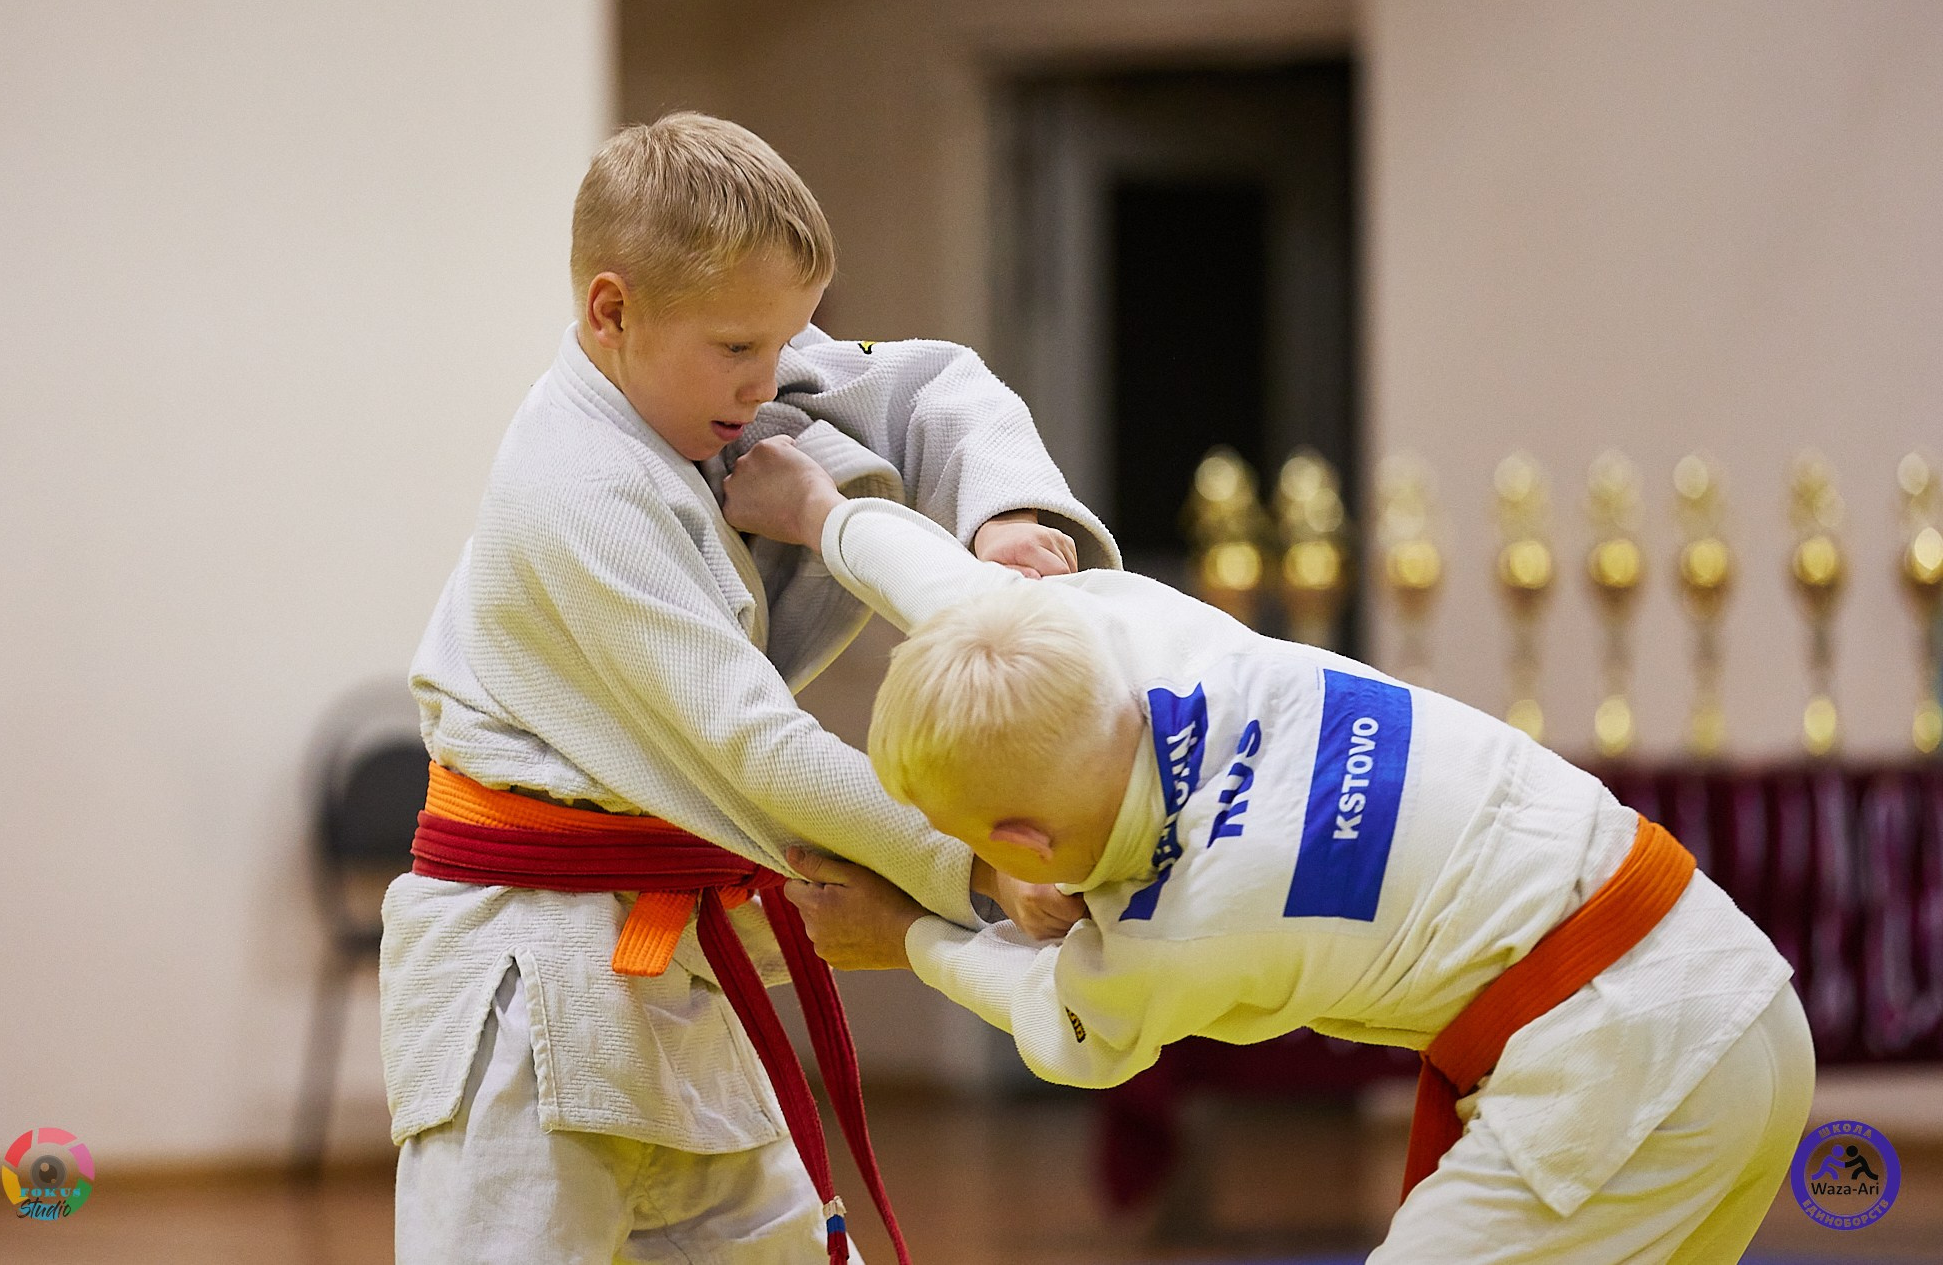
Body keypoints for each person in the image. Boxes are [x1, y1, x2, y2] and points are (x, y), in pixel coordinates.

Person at [718, 437, 1816, 1265]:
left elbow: (1064, 1024)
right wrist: (821, 511)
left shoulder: (1183, 926)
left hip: (1629, 1067)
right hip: (1731, 991)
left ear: (1021, 842)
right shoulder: (1131, 632)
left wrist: (905, 935)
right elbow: (962, 598)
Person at [381, 112, 1117, 1265]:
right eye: (740, 350)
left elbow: (934, 385)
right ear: (611, 312)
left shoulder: (704, 369)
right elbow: (754, 745)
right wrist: (978, 859)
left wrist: (1004, 513)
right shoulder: (575, 482)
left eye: (785, 340)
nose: (771, 377)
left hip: (677, 959)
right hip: (525, 983)